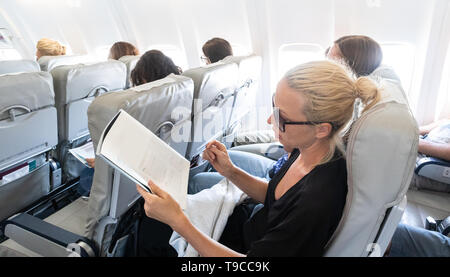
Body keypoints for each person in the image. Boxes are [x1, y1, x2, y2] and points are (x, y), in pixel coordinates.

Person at [136, 60, 381, 257]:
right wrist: (230, 171)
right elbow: (276, 198)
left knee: (153, 230)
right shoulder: (306, 148)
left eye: (281, 118)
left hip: (244, 249)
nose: (270, 122)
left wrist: (179, 222)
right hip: (248, 226)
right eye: (273, 107)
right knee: (147, 217)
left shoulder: (316, 202)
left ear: (321, 129)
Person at [410, 117, 450, 193]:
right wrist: (410, 132)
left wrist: (413, 141)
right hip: (422, 144)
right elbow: (444, 123)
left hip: (434, 166)